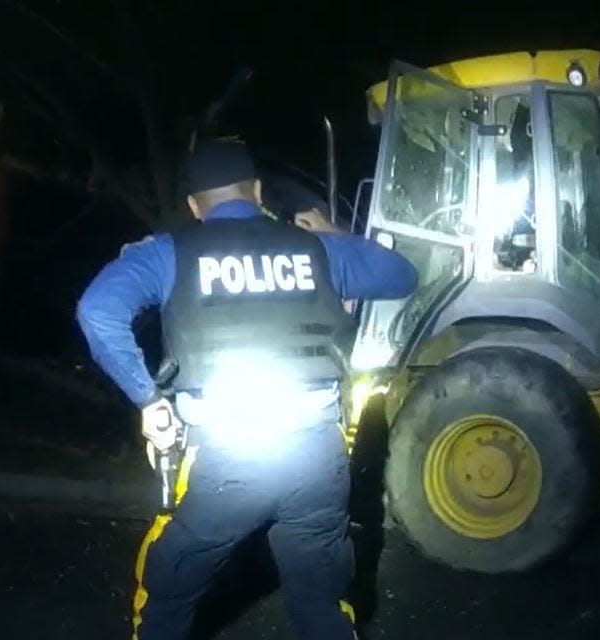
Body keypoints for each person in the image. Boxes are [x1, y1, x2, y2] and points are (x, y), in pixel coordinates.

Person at [76, 139, 418, 640]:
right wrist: (330, 232)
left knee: (167, 587)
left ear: (194, 206)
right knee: (322, 602)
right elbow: (402, 275)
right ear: (257, 192)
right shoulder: (316, 250)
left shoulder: (170, 252)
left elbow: (97, 311)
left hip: (226, 457)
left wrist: (149, 402)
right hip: (317, 456)